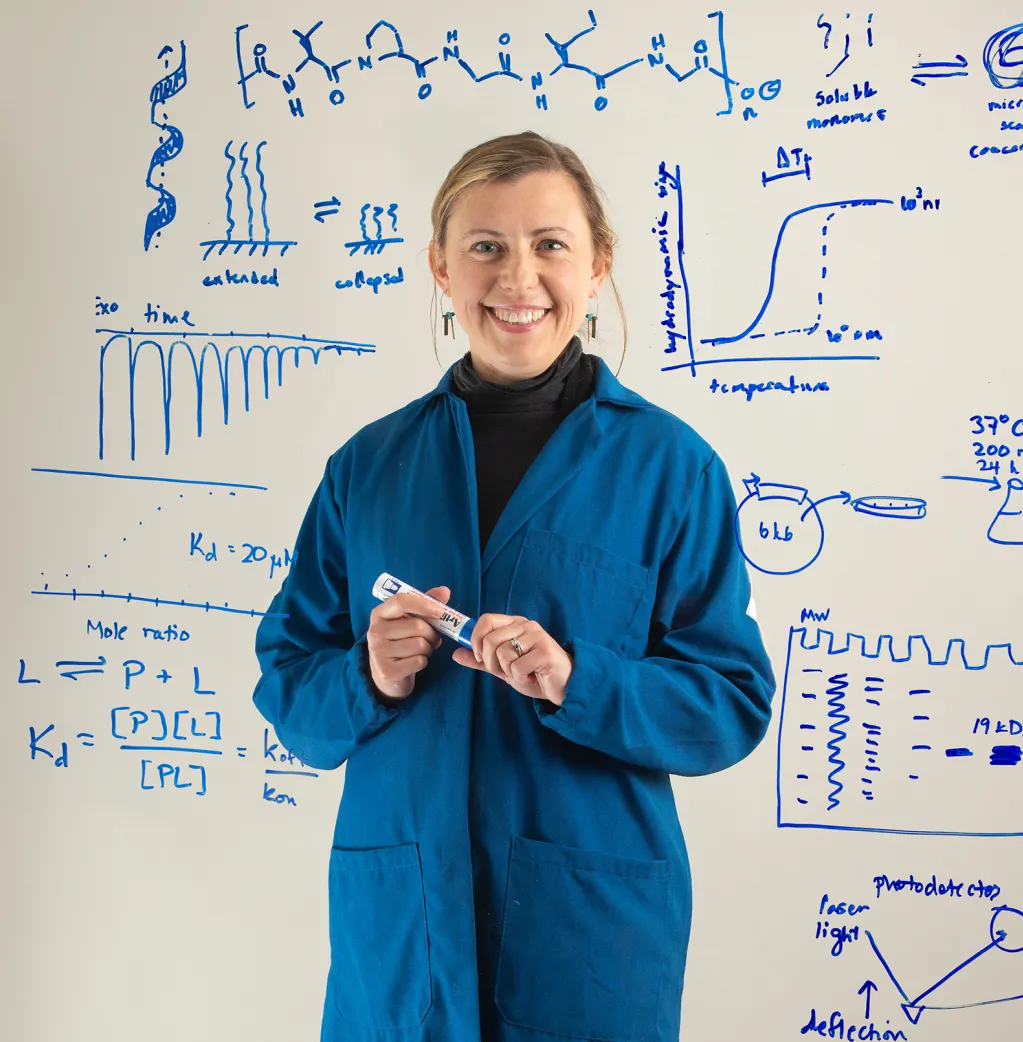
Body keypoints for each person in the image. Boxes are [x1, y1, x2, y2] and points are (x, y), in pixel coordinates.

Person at [252, 130, 776, 1042]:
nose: (517, 277)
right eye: (485, 246)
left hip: (588, 935)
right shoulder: (367, 470)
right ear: (440, 269)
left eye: (550, 244)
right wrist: (366, 674)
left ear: (599, 265)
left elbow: (728, 702)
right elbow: (290, 686)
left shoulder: (671, 471)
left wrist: (582, 679)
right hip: (403, 929)